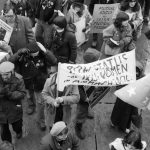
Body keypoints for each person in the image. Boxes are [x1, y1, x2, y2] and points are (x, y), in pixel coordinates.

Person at [9, 42, 57, 130]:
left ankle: (44, 122)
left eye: (36, 53)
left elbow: (54, 61)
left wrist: (46, 51)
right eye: (33, 54)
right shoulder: (23, 55)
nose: (35, 55)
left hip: (41, 83)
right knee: (32, 98)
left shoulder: (43, 54)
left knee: (43, 104)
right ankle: (35, 112)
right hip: (28, 83)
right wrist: (18, 52)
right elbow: (10, 61)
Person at [42, 65, 80, 131]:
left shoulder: (73, 82)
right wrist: (53, 102)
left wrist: (63, 99)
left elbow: (76, 97)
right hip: (52, 111)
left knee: (63, 128)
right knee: (53, 128)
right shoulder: (49, 81)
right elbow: (44, 94)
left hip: (65, 111)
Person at [110, 61, 144, 133]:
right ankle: (114, 122)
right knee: (117, 111)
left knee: (127, 115)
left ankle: (124, 126)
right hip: (121, 99)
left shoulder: (140, 80)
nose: (135, 73)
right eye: (134, 71)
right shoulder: (124, 77)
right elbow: (118, 85)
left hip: (131, 102)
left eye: (137, 72)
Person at [75, 48, 101, 140]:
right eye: (97, 61)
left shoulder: (94, 69)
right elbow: (78, 88)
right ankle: (78, 126)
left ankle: (88, 110)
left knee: (89, 106)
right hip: (83, 99)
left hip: (91, 94)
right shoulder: (81, 73)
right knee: (81, 112)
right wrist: (84, 98)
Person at [0, 61, 26, 143]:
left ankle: (19, 131)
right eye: (2, 74)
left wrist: (9, 94)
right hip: (1, 110)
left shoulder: (19, 79)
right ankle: (8, 145)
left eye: (6, 74)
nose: (4, 77)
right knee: (4, 131)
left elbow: (22, 93)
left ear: (12, 71)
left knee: (17, 125)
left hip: (14, 108)